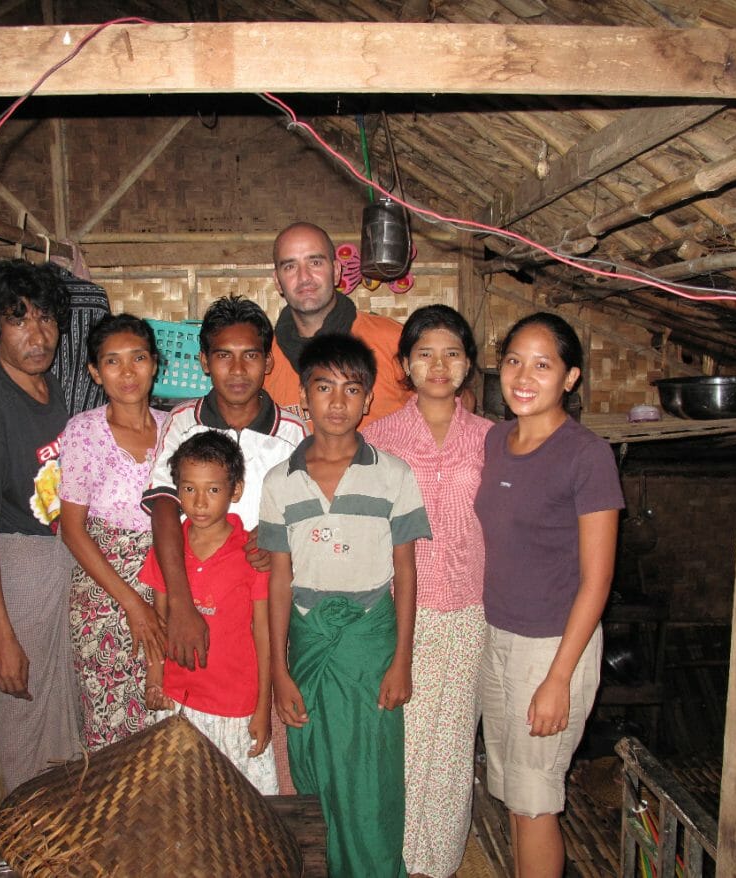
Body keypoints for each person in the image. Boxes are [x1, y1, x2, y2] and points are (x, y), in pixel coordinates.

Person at [260, 333, 430, 878]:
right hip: (309, 638)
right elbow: (279, 579)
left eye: (351, 389)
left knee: (373, 767)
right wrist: (280, 671)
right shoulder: (279, 482)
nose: (337, 402)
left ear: (368, 399)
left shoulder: (394, 474)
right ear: (302, 397)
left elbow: (406, 571)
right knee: (312, 758)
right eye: (324, 387)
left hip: (370, 640)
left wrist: (401, 660)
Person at [474, 312, 623, 878]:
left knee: (535, 801)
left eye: (543, 364)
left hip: (553, 648)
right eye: (514, 361)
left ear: (570, 377)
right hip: (496, 638)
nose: (524, 376)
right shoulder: (495, 440)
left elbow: (597, 580)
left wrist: (559, 678)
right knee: (514, 794)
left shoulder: (587, 455)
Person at [363, 305, 491, 878]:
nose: (439, 366)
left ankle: (435, 864)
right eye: (425, 354)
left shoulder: (493, 439)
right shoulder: (377, 438)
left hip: (469, 611)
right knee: (399, 740)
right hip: (395, 610)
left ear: (468, 364)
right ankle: (391, 857)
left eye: (452, 354)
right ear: (405, 365)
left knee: (452, 744)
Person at [0, 259, 80, 792]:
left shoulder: (47, 386)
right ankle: (28, 831)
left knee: (66, 711)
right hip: (22, 570)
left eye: (46, 318)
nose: (38, 334)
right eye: (19, 320)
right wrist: (2, 635)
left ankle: (68, 828)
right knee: (26, 718)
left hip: (60, 556)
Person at [142, 296, 306, 673]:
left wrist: (279, 539)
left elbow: (304, 517)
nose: (237, 369)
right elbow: (163, 509)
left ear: (268, 362)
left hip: (262, 603)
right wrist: (181, 603)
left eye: (250, 356)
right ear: (204, 361)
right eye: (223, 356)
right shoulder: (183, 422)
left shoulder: (293, 434)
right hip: (194, 594)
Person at [139, 432, 278, 795]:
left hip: (235, 706)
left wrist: (263, 707)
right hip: (178, 702)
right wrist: (155, 680)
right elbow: (158, 620)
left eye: (213, 490)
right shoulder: (168, 550)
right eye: (189, 489)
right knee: (180, 805)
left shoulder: (251, 555)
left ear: (236, 491)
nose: (199, 502)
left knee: (238, 804)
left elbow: (263, 633)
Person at [59, 314, 169, 750]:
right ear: (94, 372)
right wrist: (133, 604)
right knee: (112, 731)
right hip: (105, 598)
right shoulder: (84, 432)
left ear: (155, 363)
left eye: (138, 358)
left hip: (168, 585)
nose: (127, 372)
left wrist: (157, 602)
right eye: (112, 361)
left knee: (168, 725)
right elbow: (73, 530)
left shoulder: (176, 428)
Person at [264, 221, 409, 428]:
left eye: (315, 262)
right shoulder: (263, 361)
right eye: (290, 266)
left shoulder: (394, 342)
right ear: (278, 281)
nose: (304, 277)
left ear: (336, 271)